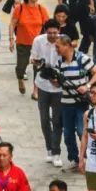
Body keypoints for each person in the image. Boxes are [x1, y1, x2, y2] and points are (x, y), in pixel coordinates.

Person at [54, 33, 96, 171]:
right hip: (66, 103)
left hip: (81, 102)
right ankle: (74, 159)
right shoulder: (60, 63)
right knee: (68, 133)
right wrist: (55, 81)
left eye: (58, 47)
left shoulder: (82, 58)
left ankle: (87, 157)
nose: (56, 50)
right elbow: (58, 85)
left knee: (82, 130)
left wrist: (87, 86)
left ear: (67, 45)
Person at [32, 19, 64, 165]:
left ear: (59, 32)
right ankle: (49, 149)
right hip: (43, 85)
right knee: (44, 119)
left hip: (58, 88)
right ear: (45, 31)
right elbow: (34, 60)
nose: (52, 36)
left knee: (57, 120)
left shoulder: (63, 42)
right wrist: (42, 65)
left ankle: (57, 152)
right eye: (49, 33)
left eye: (55, 33)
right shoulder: (38, 41)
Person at [9, 0, 50, 96]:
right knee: (21, 67)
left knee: (37, 68)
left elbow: (48, 27)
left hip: (38, 45)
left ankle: (35, 91)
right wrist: (11, 39)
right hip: (23, 43)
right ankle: (20, 79)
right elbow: (12, 24)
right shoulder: (20, 8)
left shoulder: (42, 9)